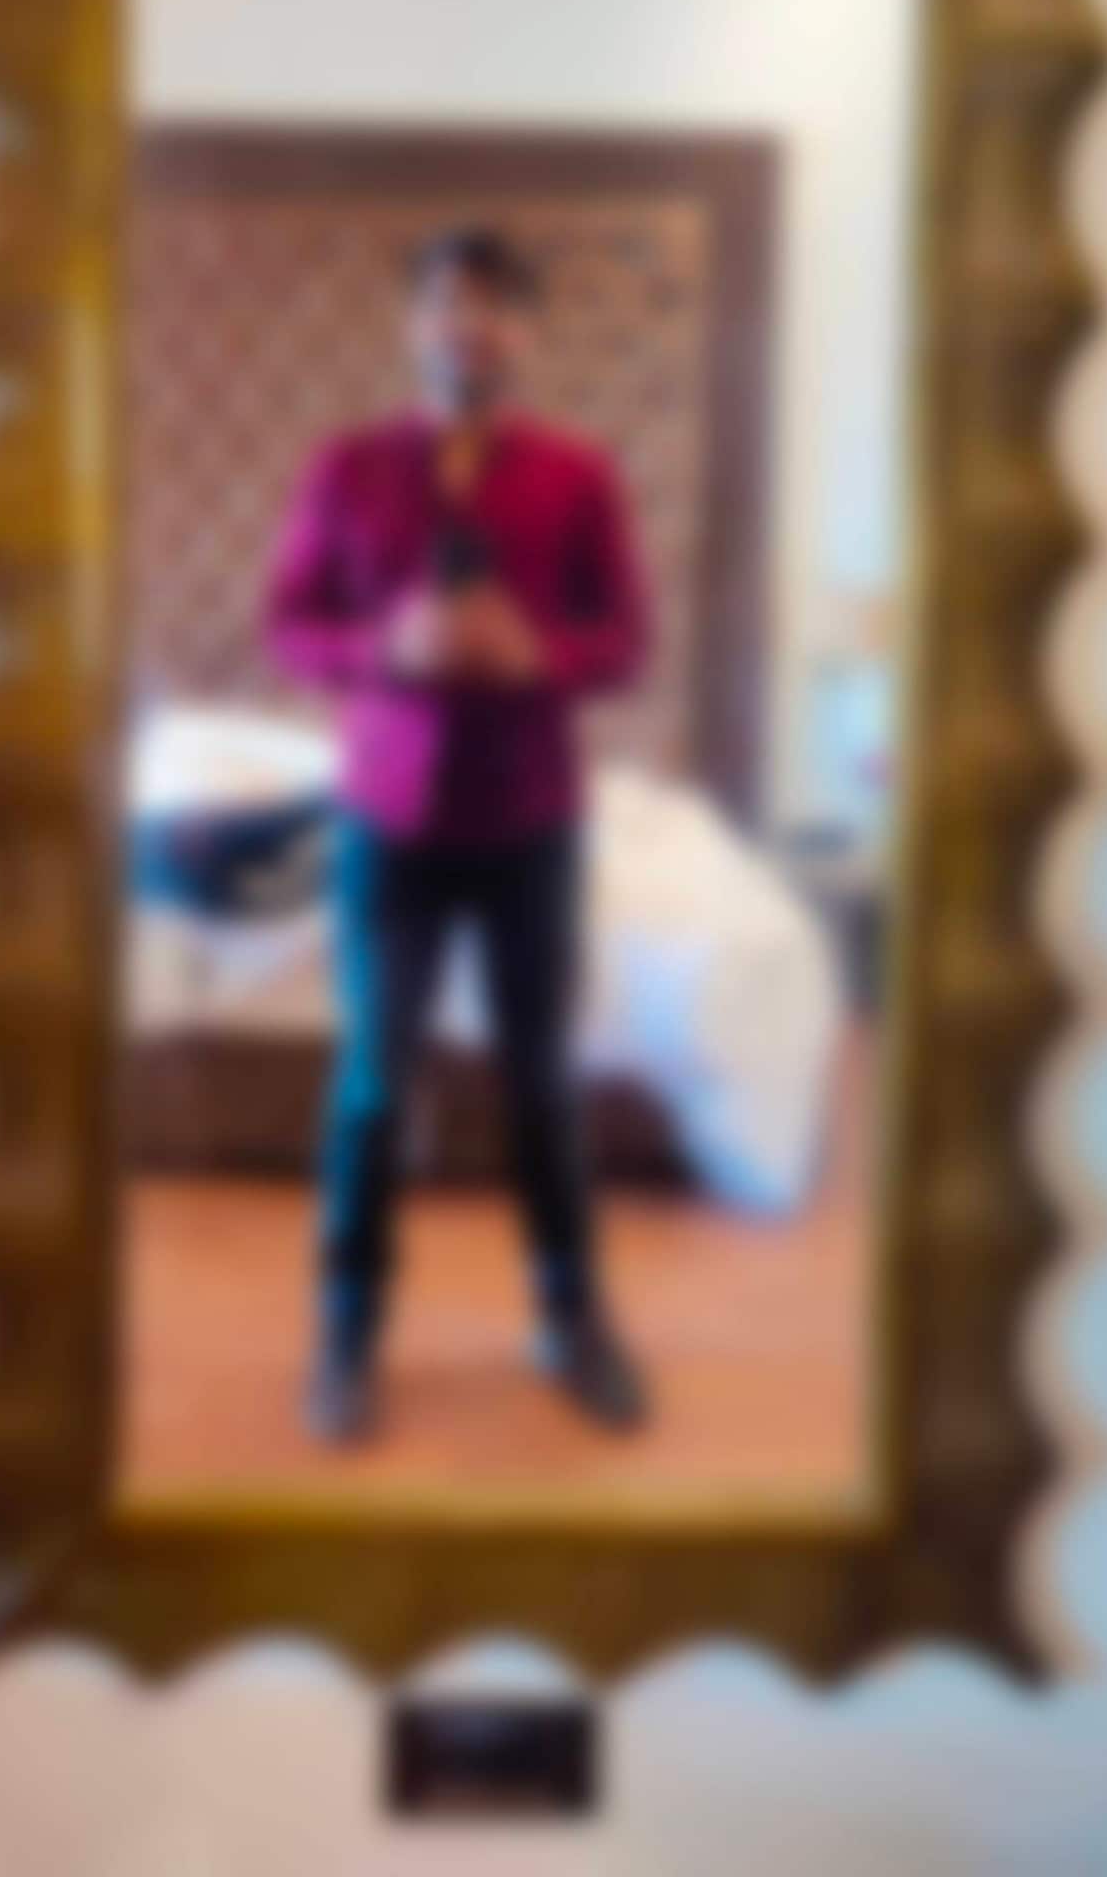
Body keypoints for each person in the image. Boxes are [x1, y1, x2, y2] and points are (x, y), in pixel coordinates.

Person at [264, 224, 654, 1444]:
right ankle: (346, 1329)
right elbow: (287, 625)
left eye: (491, 306)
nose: (465, 325)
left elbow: (629, 640)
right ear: (414, 325)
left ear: (523, 334)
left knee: (542, 1078)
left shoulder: (580, 474)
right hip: (390, 821)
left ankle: (571, 1315)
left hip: (532, 816)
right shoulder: (346, 468)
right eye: (444, 303)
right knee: (374, 1082)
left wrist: (543, 655)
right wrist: (383, 646)